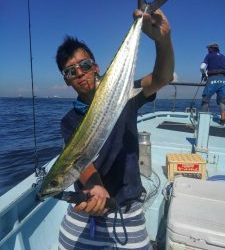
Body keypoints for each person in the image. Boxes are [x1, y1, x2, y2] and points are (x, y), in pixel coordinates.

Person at [55, 3, 174, 250]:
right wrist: (95, 184)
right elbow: (80, 162)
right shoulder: (69, 121)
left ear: (96, 67)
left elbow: (162, 78)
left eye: (85, 65)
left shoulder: (124, 96)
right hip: (87, 204)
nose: (80, 73)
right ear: (67, 81)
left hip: (126, 207)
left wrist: (162, 41)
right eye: (70, 71)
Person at [200, 43, 225, 125]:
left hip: (212, 79)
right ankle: (222, 120)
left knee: (205, 100)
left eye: (208, 48)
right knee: (223, 101)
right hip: (223, 80)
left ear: (211, 49)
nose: (208, 50)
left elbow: (202, 67)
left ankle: (203, 121)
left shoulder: (209, 55)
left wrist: (204, 74)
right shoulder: (223, 56)